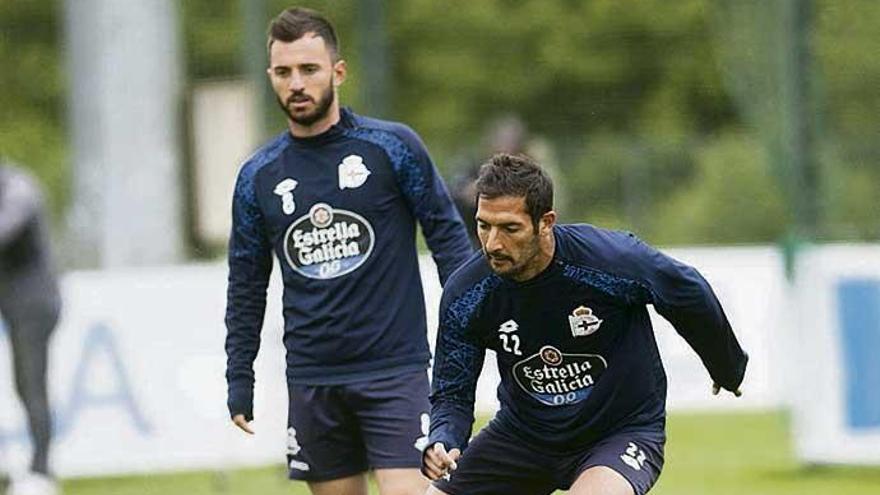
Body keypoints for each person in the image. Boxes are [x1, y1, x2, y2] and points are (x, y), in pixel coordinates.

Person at [224, 7, 472, 495]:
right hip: (314, 379)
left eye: (309, 69)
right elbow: (246, 284)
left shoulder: (391, 147)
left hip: (395, 372)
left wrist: (477, 328)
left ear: (338, 72)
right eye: (284, 72)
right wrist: (239, 376)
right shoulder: (259, 176)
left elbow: (450, 243)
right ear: (271, 76)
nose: (296, 83)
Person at [422, 154, 748, 495]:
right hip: (523, 436)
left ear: (545, 222)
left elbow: (687, 291)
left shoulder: (610, 261)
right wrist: (443, 438)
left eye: (510, 228)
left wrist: (725, 366)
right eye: (484, 225)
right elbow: (452, 392)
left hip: (619, 433)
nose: (492, 244)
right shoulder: (467, 293)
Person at [0, 162, 62, 495]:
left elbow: (5, 231)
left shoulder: (20, 188)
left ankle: (42, 472)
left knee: (30, 384)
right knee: (19, 386)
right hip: (10, 302)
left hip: (35, 304)